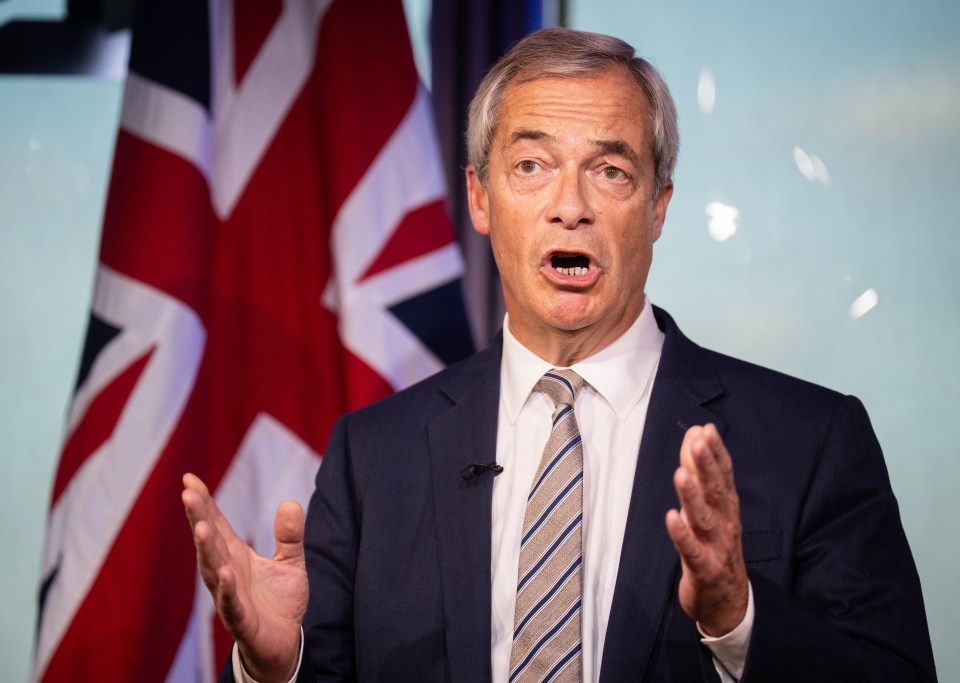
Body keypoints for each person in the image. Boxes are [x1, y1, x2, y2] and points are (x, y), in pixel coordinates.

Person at [182, 27, 937, 683]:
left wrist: (739, 618)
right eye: (532, 165)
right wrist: (277, 666)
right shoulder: (374, 457)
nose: (569, 204)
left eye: (610, 171)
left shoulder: (811, 441)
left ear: (658, 206)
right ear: (480, 198)